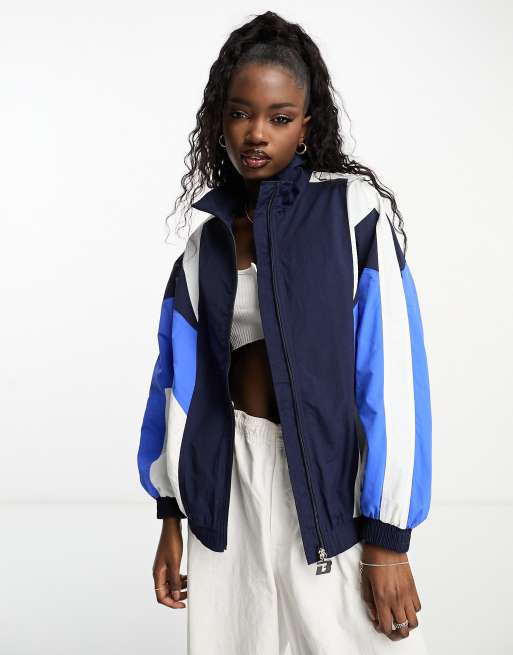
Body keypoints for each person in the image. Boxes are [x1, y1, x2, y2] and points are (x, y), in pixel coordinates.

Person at [137, 11, 432, 654]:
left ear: (306, 125)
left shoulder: (351, 213)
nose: (257, 133)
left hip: (323, 482)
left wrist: (388, 541)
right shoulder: (204, 245)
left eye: (279, 117)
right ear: (219, 119)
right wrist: (170, 515)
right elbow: (174, 386)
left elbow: (390, 374)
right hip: (226, 483)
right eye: (241, 113)